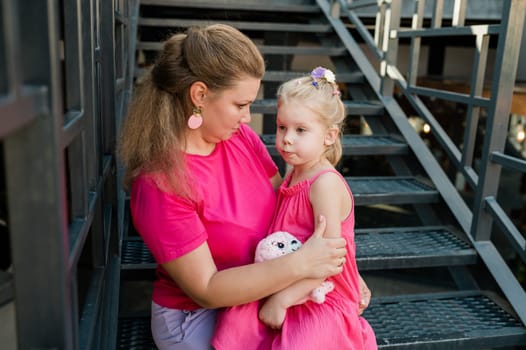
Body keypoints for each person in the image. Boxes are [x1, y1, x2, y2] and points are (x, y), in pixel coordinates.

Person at [117, 24, 359, 350]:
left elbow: (290, 211)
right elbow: (206, 289)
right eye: (240, 104)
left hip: (266, 290)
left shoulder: (239, 138)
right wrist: (301, 265)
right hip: (198, 315)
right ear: (200, 95)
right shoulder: (161, 183)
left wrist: (340, 272)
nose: (247, 118)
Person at [212, 67, 377, 349]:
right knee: (235, 324)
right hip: (291, 276)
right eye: (282, 127)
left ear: (329, 136)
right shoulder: (293, 175)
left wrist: (281, 300)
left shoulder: (324, 184)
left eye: (301, 130)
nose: (287, 138)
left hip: (323, 291)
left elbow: (328, 258)